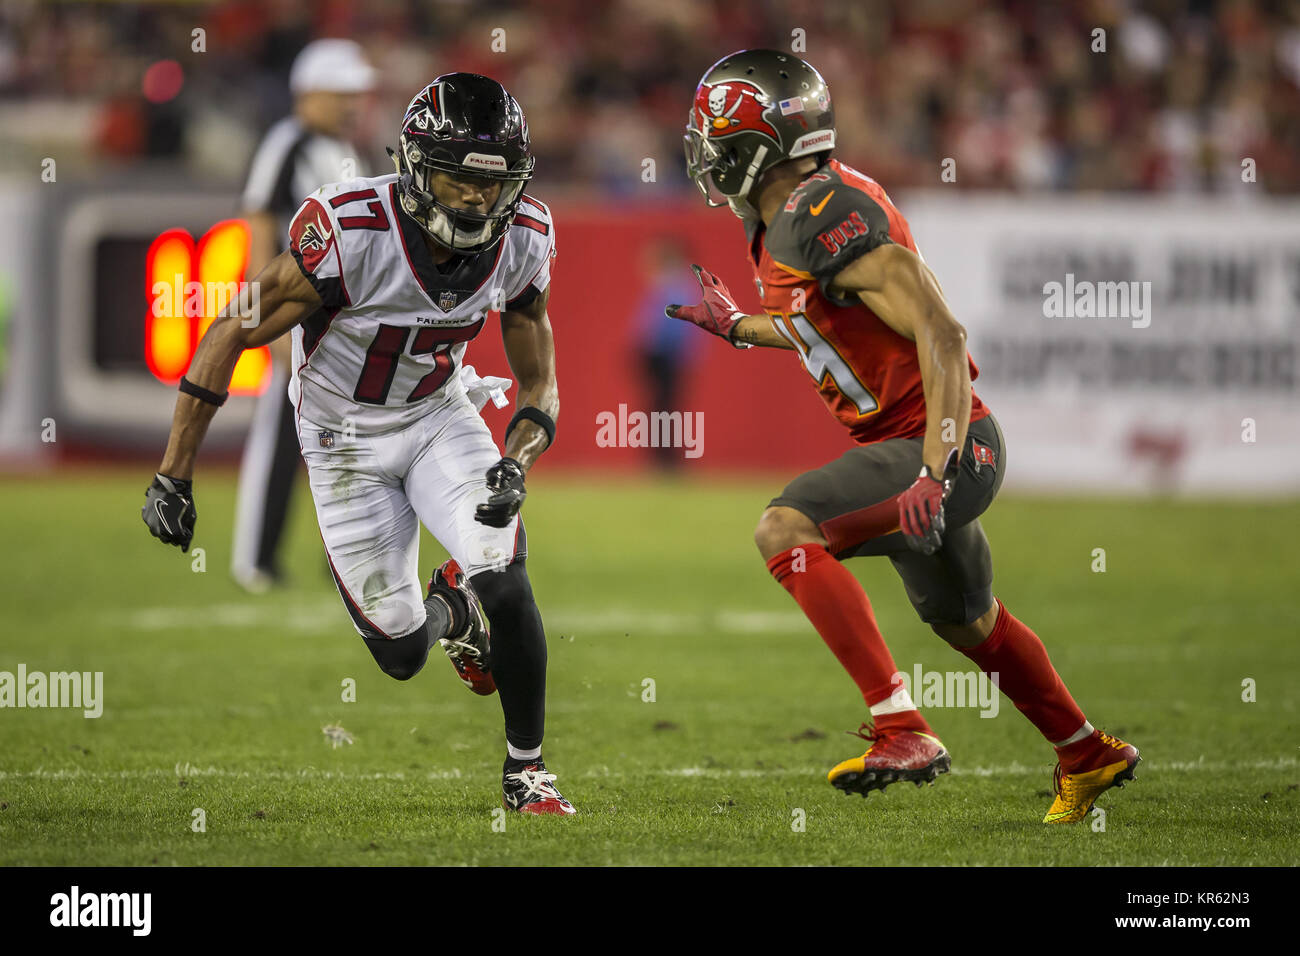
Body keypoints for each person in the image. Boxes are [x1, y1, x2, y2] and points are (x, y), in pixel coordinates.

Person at [667, 49, 1139, 824]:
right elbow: (825, 322)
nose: (705, 156)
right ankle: (1086, 753)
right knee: (966, 619)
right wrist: (742, 329)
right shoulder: (796, 213)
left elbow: (943, 335)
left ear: (757, 145)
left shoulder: (817, 213)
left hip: (943, 445)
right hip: (932, 446)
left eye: (715, 139)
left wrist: (933, 469)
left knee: (785, 527)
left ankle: (902, 726)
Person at [142, 74, 573, 815]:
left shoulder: (525, 237)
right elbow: (233, 329)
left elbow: (539, 382)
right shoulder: (349, 229)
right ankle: (451, 615)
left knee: (504, 571)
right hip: (340, 438)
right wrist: (173, 475)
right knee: (402, 653)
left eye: (489, 186)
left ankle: (526, 771)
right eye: (456, 180)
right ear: (413, 167)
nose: (474, 201)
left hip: (439, 417)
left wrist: (516, 461)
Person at [232, 38, 376, 593]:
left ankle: (346, 556)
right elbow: (259, 221)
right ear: (309, 92)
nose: (354, 103)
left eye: (358, 93)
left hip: (342, 323)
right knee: (278, 434)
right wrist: (263, 311)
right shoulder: (287, 142)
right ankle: (256, 559)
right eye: (343, 92)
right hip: (295, 311)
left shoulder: (349, 152)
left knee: (351, 441)